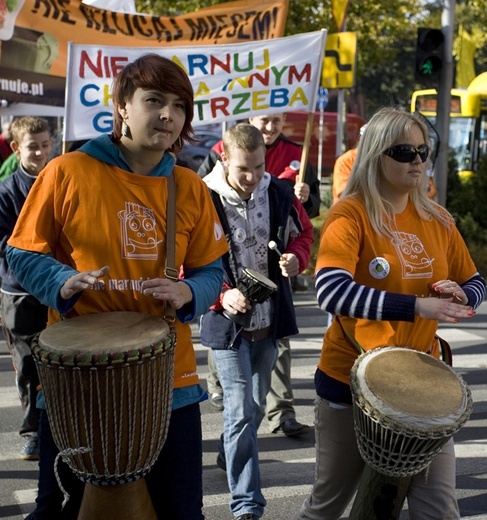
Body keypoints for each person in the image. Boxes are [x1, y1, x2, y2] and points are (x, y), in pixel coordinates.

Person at [6, 53, 228, 520]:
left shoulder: (189, 187)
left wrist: (191, 293)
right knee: (59, 510)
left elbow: (212, 270)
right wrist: (61, 280)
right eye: (153, 100)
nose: (168, 114)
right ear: (123, 106)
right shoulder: (67, 171)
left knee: (181, 511)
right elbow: (21, 251)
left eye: (179, 106)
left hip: (172, 381)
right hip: (76, 378)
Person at [295, 106, 486, 520]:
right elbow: (330, 290)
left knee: (439, 511)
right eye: (404, 151)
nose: (417, 160)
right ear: (376, 154)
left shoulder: (438, 219)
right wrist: (416, 306)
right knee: (327, 506)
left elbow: (476, 281)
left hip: (422, 387)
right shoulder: (351, 214)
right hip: (350, 383)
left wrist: (462, 293)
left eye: (423, 150)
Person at [199, 123, 313, 520]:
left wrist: (297, 258)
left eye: (259, 167)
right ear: (224, 159)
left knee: (251, 407)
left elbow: (304, 234)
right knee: (241, 409)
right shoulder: (204, 197)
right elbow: (184, 260)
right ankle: (247, 502)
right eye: (244, 169)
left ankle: (229, 445)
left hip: (269, 322)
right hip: (227, 325)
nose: (252, 178)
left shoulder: (279, 192)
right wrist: (221, 294)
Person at [0, 116, 53, 461]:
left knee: (61, 363)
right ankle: (33, 431)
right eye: (34, 146)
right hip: (20, 293)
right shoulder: (6, 191)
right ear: (17, 148)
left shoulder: (60, 180)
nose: (42, 151)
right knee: (28, 366)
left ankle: (60, 426)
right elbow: (4, 242)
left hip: (57, 290)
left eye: (46, 144)